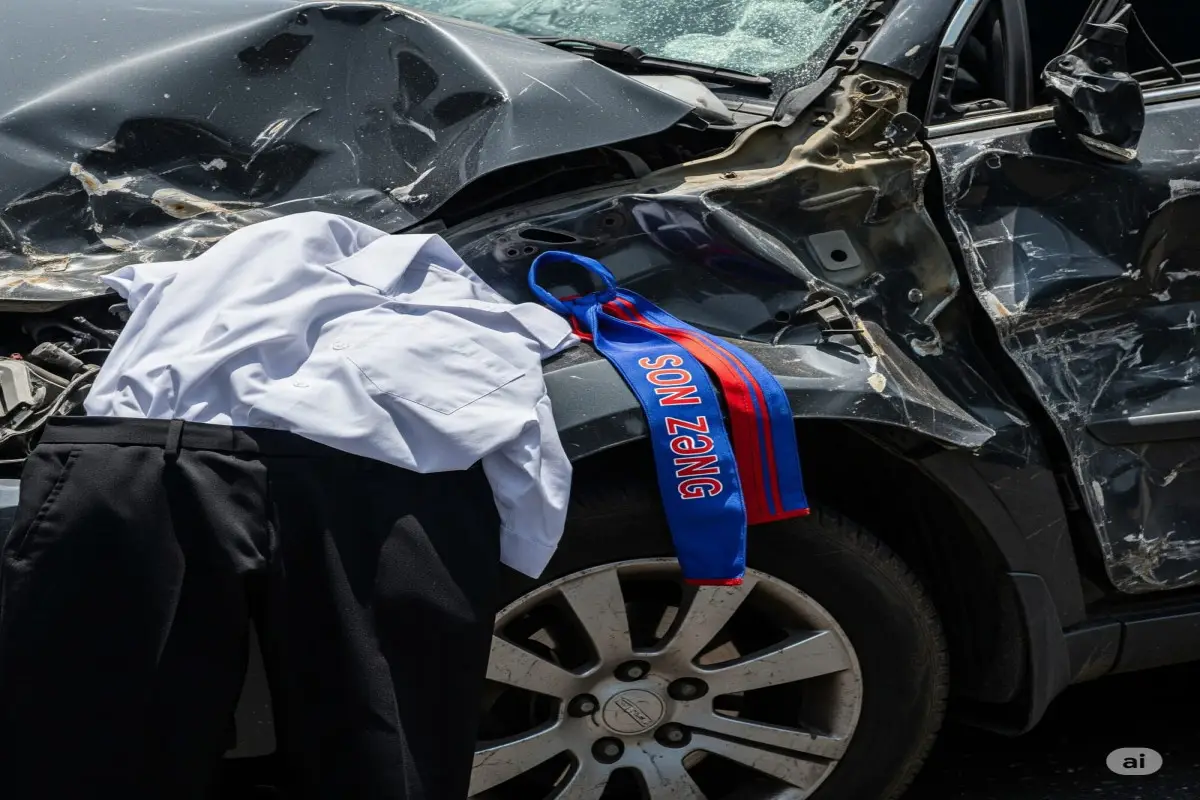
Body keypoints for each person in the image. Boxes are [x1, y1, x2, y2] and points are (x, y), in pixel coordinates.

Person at [0, 212, 576, 799]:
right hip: (386, 483)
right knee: (387, 749)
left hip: (151, 453)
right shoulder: (475, 310)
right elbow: (529, 440)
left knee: (89, 742)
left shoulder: (172, 278)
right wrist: (525, 538)